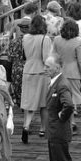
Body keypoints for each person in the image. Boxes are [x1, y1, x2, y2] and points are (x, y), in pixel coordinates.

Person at [43, 54, 76, 161]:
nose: (45, 69)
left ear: (57, 67)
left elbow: (68, 105)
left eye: (48, 67)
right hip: (53, 131)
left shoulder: (62, 84)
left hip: (59, 131)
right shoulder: (55, 82)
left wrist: (61, 117)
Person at [52, 18, 81, 129]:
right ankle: (72, 122)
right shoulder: (78, 41)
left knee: (61, 97)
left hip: (60, 72)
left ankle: (66, 121)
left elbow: (54, 56)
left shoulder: (57, 40)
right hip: (74, 72)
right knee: (72, 99)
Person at [20, 14, 52, 143]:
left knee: (29, 102)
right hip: (41, 72)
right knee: (44, 103)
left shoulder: (25, 37)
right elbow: (46, 59)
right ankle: (43, 128)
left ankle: (26, 125)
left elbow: (24, 55)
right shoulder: (46, 39)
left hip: (28, 70)